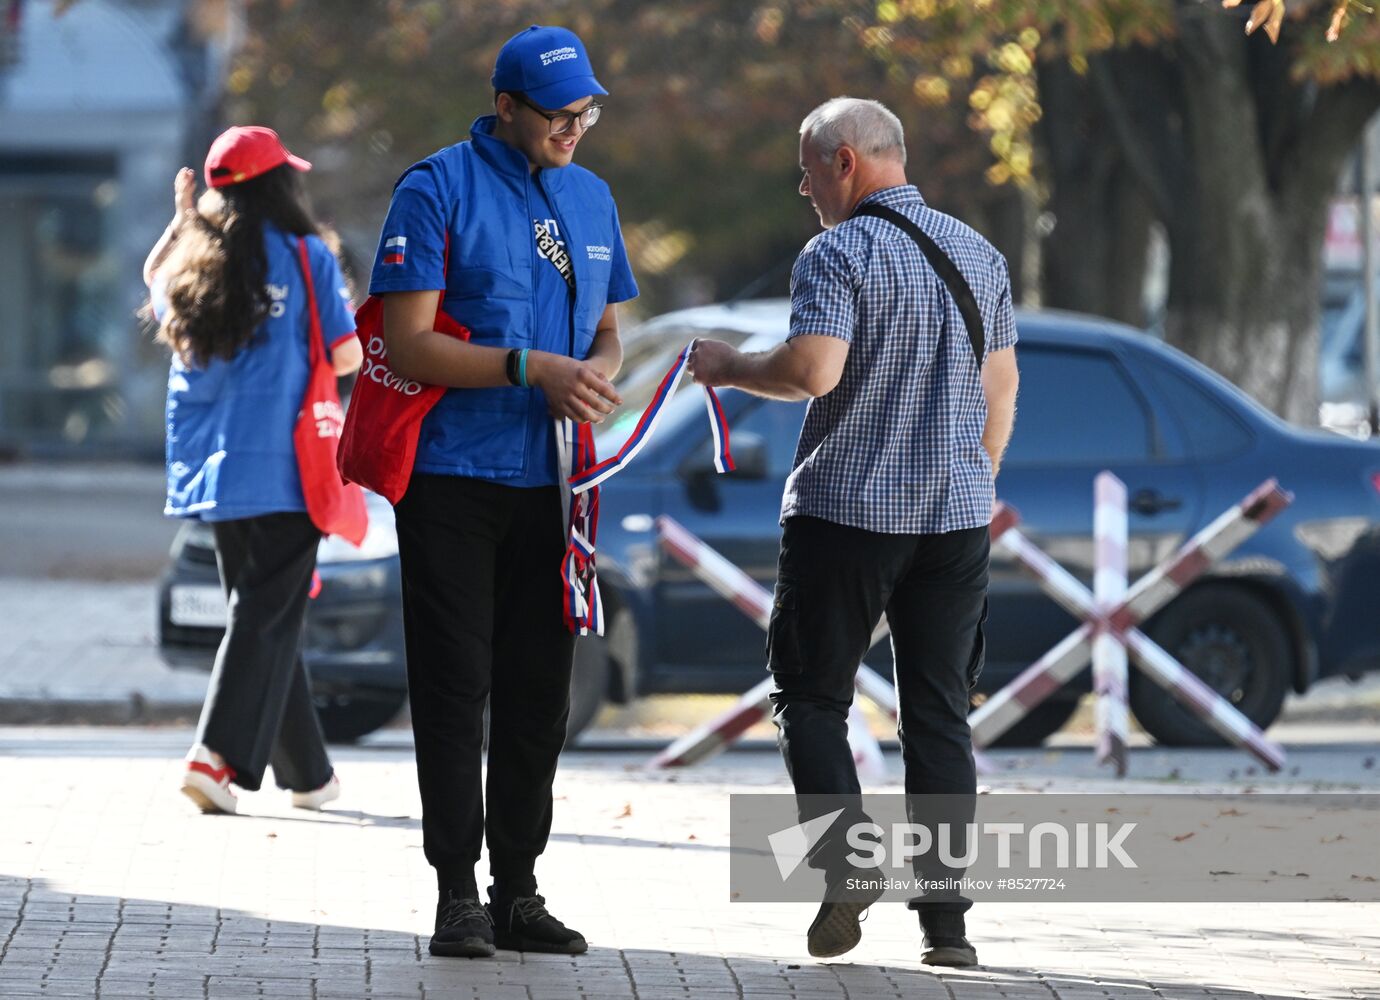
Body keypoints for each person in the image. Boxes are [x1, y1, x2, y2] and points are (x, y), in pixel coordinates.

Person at [688, 97, 1020, 968]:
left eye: (807, 170)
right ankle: (948, 934)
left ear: (844, 162)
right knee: (941, 716)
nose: (803, 188)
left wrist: (726, 367)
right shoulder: (980, 256)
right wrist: (973, 481)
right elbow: (1002, 389)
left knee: (809, 696)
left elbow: (810, 370)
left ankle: (844, 867)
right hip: (954, 522)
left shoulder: (838, 252)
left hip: (847, 514)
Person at [366, 25, 637, 958]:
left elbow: (609, 332)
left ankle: (519, 890)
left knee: (538, 694)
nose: (576, 127)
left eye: (587, 111)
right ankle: (456, 894)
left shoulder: (594, 197)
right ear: (507, 108)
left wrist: (595, 370)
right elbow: (407, 344)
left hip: (556, 483)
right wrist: (530, 367)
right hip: (452, 478)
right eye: (559, 114)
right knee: (455, 689)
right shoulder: (434, 187)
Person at [143, 126, 364, 817]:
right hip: (291, 467)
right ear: (278, 185)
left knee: (268, 615)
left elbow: (153, 287)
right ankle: (213, 757)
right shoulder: (305, 258)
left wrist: (183, 222)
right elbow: (348, 356)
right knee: (263, 614)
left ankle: (310, 776)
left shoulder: (192, 262)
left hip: (217, 470)